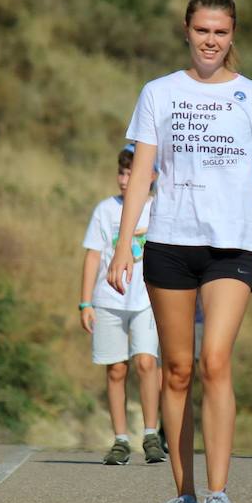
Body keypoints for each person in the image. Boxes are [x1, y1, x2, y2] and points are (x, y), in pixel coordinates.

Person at [109, 0, 252, 503]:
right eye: (203, 30)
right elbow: (141, 172)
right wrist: (123, 245)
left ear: (233, 36)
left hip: (233, 246)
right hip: (168, 244)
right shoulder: (159, 93)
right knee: (178, 371)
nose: (211, 40)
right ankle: (183, 499)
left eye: (221, 32)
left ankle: (219, 495)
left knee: (215, 361)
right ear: (187, 30)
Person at [80, 145, 165, 465]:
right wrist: (85, 301)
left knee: (146, 362)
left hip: (147, 298)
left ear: (153, 174)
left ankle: (151, 434)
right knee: (116, 368)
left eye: (132, 171)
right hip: (109, 299)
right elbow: (92, 255)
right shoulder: (105, 210)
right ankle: (120, 439)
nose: (125, 178)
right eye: (122, 171)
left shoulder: (160, 207)